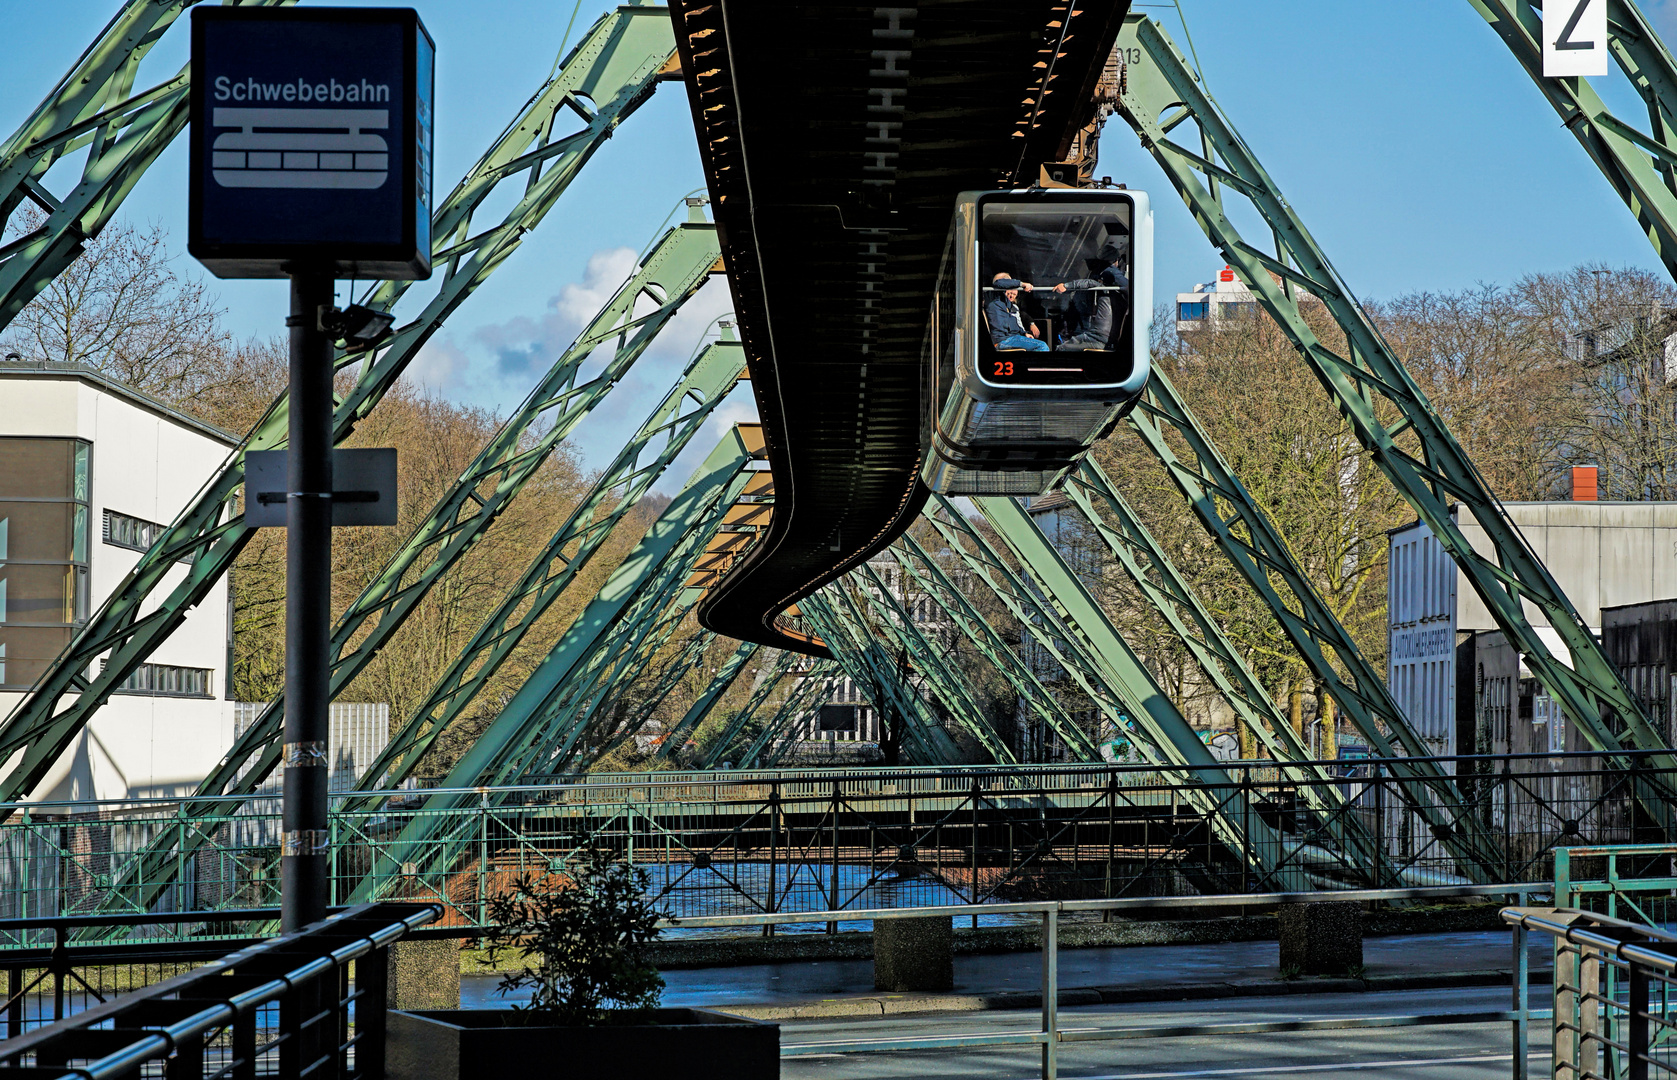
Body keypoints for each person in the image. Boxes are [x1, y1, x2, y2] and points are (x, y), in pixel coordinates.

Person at [1053, 240, 1130, 351]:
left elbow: (1090, 283)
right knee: (1065, 345)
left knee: (1062, 348)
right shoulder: (1118, 298)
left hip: (1099, 338)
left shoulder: (1107, 287)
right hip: (1093, 333)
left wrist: (1066, 286)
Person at [984, 272, 1049, 352]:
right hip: (1003, 340)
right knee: (1042, 346)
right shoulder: (991, 297)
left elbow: (1016, 320)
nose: (1011, 295)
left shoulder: (1008, 304)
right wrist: (1022, 284)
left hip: (1013, 338)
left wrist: (1025, 333)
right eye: (1010, 286)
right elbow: (999, 282)